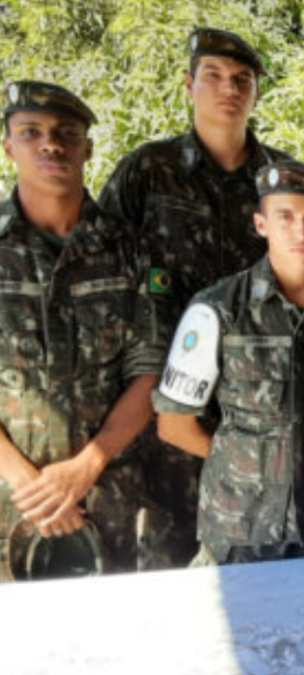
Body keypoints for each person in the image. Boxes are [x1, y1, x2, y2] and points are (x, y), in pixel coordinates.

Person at [99, 28, 292, 569]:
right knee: (167, 561)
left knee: (262, 561)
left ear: (255, 94)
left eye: (242, 80)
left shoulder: (280, 179)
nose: (228, 89)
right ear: (189, 85)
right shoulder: (148, 170)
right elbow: (105, 272)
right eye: (213, 76)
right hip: (168, 404)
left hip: (257, 404)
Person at [152, 161, 304, 565]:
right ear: (261, 224)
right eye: (285, 217)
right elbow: (175, 424)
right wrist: (249, 465)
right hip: (242, 528)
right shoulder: (217, 309)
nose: (302, 231)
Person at [0, 81, 162, 579]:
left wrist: (86, 467)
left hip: (109, 494)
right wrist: (29, 484)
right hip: (10, 501)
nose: (51, 143)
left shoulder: (130, 249)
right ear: (9, 147)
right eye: (32, 132)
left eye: (67, 133)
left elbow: (152, 370)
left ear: (88, 148)